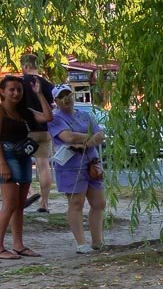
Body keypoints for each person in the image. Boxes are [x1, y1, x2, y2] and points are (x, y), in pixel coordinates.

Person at [47, 85, 105, 253]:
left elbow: (101, 135)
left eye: (68, 94)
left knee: (99, 203)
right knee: (76, 202)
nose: (67, 99)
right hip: (71, 166)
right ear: (56, 101)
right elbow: (68, 137)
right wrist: (90, 137)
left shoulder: (85, 115)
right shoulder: (55, 119)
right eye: (61, 96)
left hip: (92, 162)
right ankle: (81, 243)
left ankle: (97, 241)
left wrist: (85, 143)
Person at [0, 75, 52, 259]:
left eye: (19, 90)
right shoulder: (1, 111)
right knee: (10, 204)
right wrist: (2, 165)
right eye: (11, 89)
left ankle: (18, 245)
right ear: (2, 92)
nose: (16, 93)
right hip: (6, 156)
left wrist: (39, 94)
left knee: (19, 205)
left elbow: (47, 117)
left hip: (23, 156)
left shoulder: (24, 112)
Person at [19, 52, 56, 212]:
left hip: (25, 131)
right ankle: (44, 203)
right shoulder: (48, 84)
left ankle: (29, 192)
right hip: (44, 130)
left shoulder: (20, 83)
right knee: (43, 165)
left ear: (25, 65)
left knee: (19, 163)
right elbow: (53, 107)